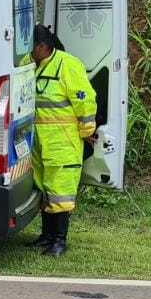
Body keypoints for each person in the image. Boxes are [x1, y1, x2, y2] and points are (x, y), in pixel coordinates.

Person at [29, 24, 98, 257]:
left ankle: (59, 240)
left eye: (32, 47)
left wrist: (87, 129)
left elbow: (85, 99)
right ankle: (46, 236)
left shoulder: (67, 64)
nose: (29, 52)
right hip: (39, 141)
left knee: (61, 193)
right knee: (45, 190)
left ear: (42, 46)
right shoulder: (32, 65)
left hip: (63, 141)